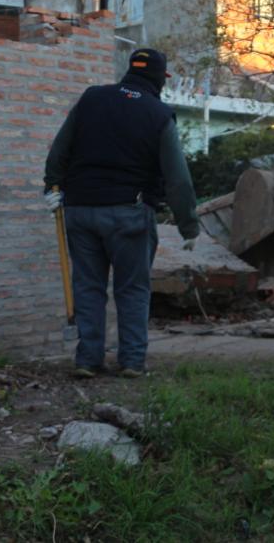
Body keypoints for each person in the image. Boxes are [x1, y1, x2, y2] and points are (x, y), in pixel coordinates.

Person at [44, 48, 200, 378]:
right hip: (129, 214)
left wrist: (52, 186)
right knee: (132, 289)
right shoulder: (159, 114)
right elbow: (178, 179)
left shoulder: (92, 99)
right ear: (160, 78)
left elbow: (59, 149)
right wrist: (189, 227)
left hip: (80, 211)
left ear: (130, 71)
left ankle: (88, 359)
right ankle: (131, 361)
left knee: (88, 286)